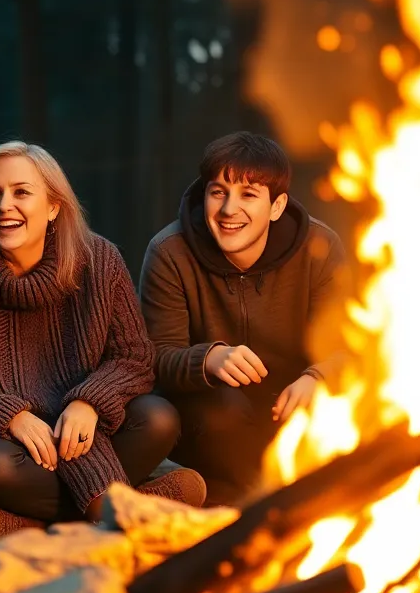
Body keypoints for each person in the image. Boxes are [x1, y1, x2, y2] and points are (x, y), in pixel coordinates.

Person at [0, 140, 205, 546]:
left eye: (21, 192)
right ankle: (121, 508)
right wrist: (8, 415)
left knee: (158, 418)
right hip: (12, 445)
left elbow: (134, 357)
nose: (4, 207)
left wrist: (89, 401)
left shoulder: (98, 259)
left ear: (53, 206)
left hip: (87, 427)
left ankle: (35, 524)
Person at [140, 132, 349, 505]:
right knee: (223, 412)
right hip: (212, 422)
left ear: (276, 205)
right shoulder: (169, 252)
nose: (228, 209)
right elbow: (153, 357)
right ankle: (242, 511)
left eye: (248, 195)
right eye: (218, 192)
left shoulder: (320, 247)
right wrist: (207, 359)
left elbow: (352, 345)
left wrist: (319, 377)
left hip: (290, 408)